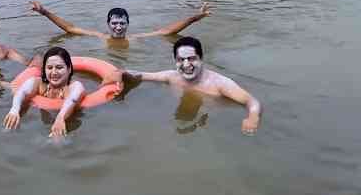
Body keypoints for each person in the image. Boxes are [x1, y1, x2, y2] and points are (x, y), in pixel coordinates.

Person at [104, 37, 262, 133]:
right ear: (175, 61)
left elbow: (252, 102)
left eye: (191, 58)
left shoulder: (220, 84)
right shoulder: (172, 77)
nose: (186, 65)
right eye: (181, 60)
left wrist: (252, 118)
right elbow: (141, 75)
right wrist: (121, 73)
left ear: (201, 59)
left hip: (217, 123)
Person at [29, 2, 210, 46]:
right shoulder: (98, 36)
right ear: (108, 24)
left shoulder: (136, 38)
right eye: (114, 23)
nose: (118, 27)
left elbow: (167, 31)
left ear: (127, 24)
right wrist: (44, 12)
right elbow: (70, 28)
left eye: (122, 23)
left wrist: (195, 18)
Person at [3, 47, 85, 137]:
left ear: (69, 69)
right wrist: (14, 110)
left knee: (58, 142)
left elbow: (72, 99)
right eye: (49, 68)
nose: (54, 72)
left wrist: (60, 118)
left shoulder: (74, 86)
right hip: (45, 120)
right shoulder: (39, 83)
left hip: (69, 121)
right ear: (44, 70)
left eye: (59, 67)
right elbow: (22, 92)